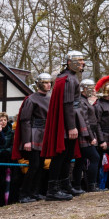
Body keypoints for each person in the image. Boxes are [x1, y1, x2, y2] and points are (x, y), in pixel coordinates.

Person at [41, 51, 86, 201]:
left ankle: (65, 185)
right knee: (60, 156)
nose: (82, 63)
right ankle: (53, 189)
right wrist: (72, 126)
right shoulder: (67, 79)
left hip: (69, 121)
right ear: (70, 62)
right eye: (79, 61)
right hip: (67, 123)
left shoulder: (70, 78)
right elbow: (67, 105)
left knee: (67, 156)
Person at [12, 73, 53, 203]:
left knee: (41, 165)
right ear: (40, 83)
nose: (49, 84)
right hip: (34, 133)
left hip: (45, 134)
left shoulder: (50, 98)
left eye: (49, 82)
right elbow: (25, 121)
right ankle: (24, 193)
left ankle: (35, 192)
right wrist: (27, 140)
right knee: (34, 165)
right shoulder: (31, 99)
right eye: (46, 82)